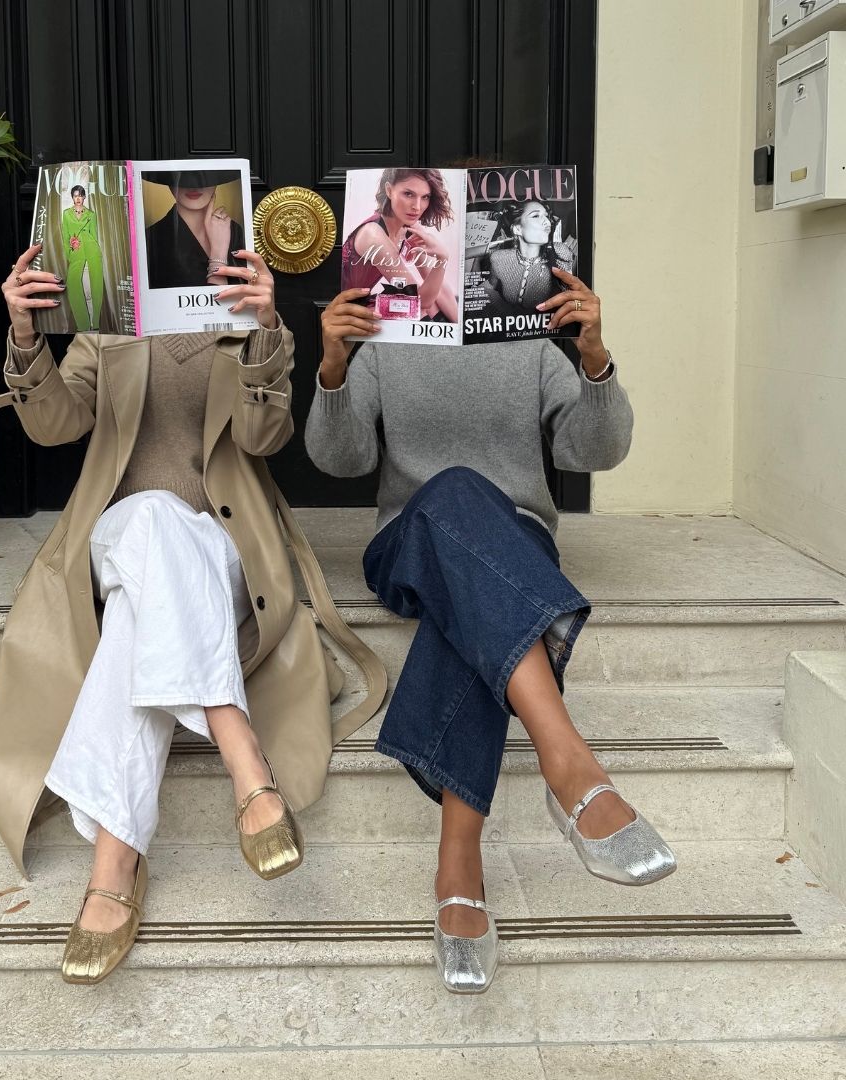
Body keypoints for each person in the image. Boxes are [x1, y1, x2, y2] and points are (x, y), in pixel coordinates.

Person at [0, 241, 384, 987]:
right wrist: (27, 336)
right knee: (153, 517)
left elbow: (265, 439)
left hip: (220, 553)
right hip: (121, 539)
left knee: (147, 594)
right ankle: (244, 761)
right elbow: (52, 427)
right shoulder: (111, 329)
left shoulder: (243, 326)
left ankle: (115, 863)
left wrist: (265, 328)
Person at [305, 267, 675, 996]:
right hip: (407, 543)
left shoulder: (532, 342)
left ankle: (458, 862)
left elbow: (593, 453)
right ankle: (568, 761)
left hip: (513, 549)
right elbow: (338, 460)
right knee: (454, 489)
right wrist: (333, 366)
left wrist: (594, 357)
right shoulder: (387, 336)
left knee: (470, 616)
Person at [342, 168, 459, 323]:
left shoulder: (409, 228)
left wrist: (460, 328)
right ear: (389, 190)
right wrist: (442, 258)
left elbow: (438, 286)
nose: (417, 207)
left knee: (429, 292)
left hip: (370, 302)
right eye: (408, 194)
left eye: (425, 197)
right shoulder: (373, 235)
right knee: (420, 304)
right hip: (349, 310)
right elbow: (420, 303)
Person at [143, 169, 247, 288]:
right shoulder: (150, 239)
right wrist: (218, 259)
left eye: (203, 176)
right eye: (184, 178)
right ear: (169, 182)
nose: (193, 187)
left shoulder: (235, 230)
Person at [475, 200, 578, 312]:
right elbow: (489, 287)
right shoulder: (499, 258)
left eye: (546, 216)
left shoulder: (559, 253)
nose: (547, 222)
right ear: (517, 229)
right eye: (536, 216)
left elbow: (570, 294)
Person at [61, 185, 104, 331]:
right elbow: (65, 235)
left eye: (80, 195)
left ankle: (97, 322)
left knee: (97, 284)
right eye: (75, 196)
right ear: (72, 197)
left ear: (84, 197)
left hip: (92, 249)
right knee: (72, 285)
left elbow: (95, 234)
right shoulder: (66, 214)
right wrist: (70, 253)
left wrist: (96, 250)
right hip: (76, 250)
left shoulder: (91, 214)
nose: (78, 198)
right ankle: (83, 324)